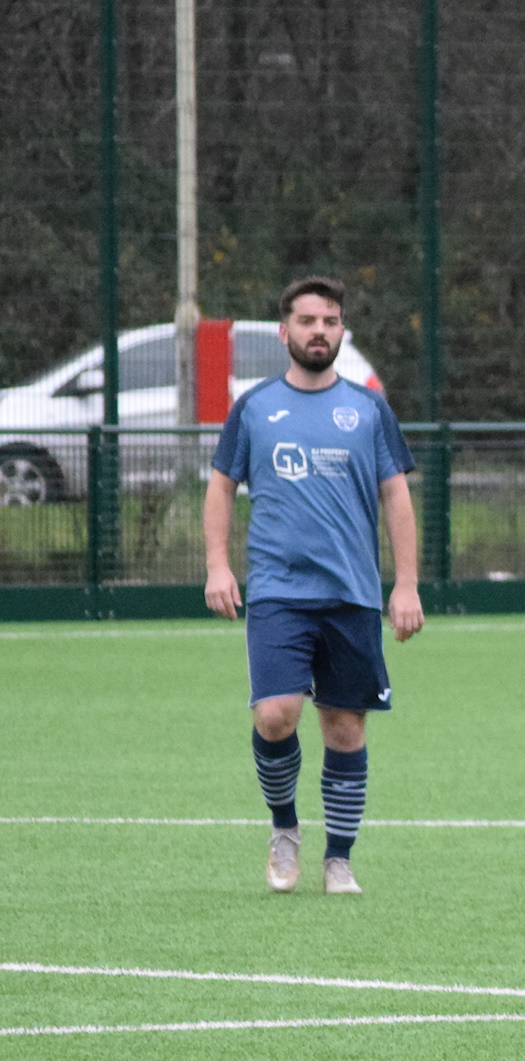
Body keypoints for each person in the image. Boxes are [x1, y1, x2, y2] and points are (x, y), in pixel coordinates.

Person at [204, 276, 423, 894]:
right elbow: (221, 485)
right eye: (307, 321)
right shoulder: (254, 407)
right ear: (285, 332)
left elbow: (395, 495)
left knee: (344, 729)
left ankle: (339, 860)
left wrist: (404, 586)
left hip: (352, 593)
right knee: (276, 714)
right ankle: (284, 830)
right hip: (277, 591)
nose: (318, 331)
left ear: (342, 331)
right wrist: (219, 565)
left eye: (329, 321)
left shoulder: (367, 408)